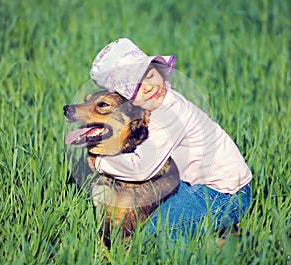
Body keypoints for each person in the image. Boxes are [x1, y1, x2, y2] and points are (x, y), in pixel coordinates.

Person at [89, 38, 252, 239]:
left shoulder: (169, 112)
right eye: (136, 87)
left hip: (224, 195)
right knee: (150, 215)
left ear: (158, 70)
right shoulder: (156, 109)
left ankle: (221, 242)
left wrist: (100, 162)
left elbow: (141, 169)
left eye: (149, 75)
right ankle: (213, 232)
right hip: (193, 185)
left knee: (152, 236)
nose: (148, 86)